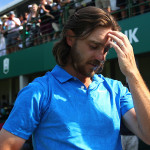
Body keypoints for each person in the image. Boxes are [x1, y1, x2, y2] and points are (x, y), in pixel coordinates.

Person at [0, 6, 150, 150]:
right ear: (70, 38)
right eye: (93, 46)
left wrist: (132, 73)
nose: (101, 57)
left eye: (105, 49)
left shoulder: (116, 90)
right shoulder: (38, 92)